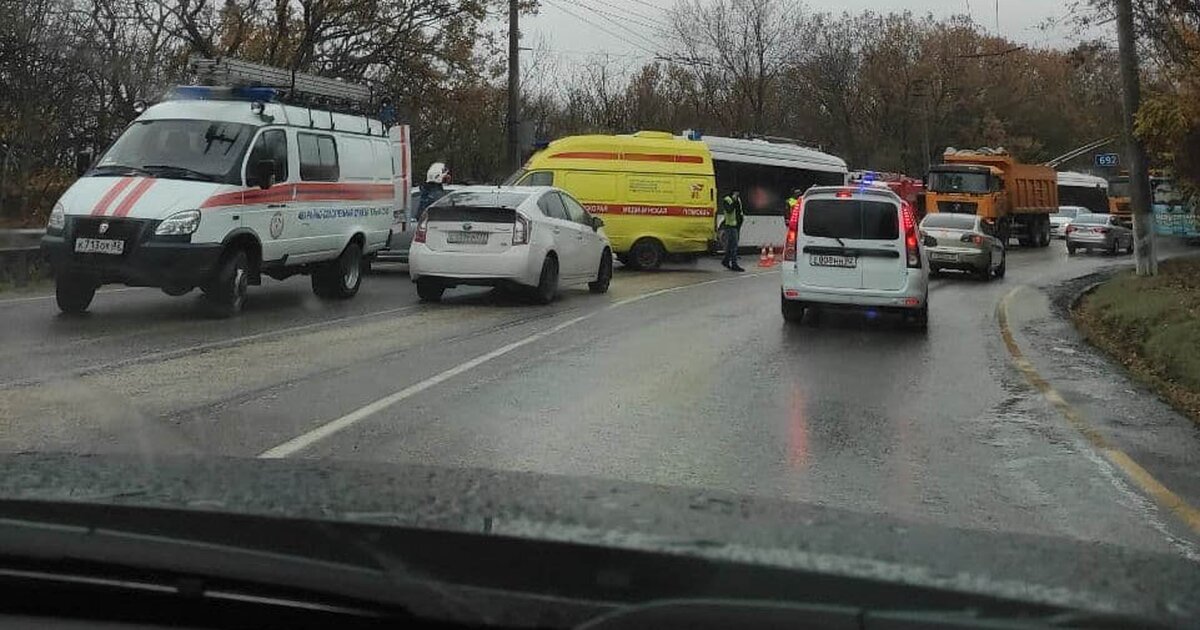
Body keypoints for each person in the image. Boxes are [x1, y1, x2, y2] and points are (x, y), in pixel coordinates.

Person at [720, 190, 745, 272]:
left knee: (731, 245)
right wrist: (734, 201)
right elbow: (729, 210)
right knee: (734, 246)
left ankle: (726, 261)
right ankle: (734, 264)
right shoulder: (727, 200)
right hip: (730, 225)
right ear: (733, 193)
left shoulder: (738, 199)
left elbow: (739, 211)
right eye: (736, 193)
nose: (738, 194)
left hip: (736, 225)